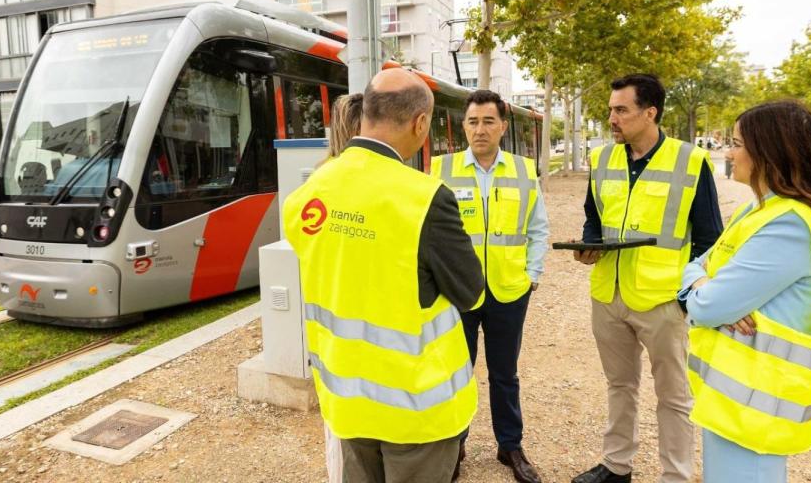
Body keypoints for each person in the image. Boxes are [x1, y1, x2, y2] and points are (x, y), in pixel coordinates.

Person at [284, 68, 485, 483]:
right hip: (417, 410)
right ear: (421, 123)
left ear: (366, 113)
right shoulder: (426, 197)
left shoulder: (309, 193)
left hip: (346, 401)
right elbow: (471, 293)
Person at [678, 100, 811, 482]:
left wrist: (707, 292)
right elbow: (694, 267)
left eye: (737, 143)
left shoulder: (789, 225)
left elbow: (706, 307)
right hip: (738, 400)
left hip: (756, 407)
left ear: (769, 151)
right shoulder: (759, 211)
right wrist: (704, 283)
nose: (729, 152)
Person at [572, 74, 723, 483]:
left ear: (649, 112)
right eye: (610, 110)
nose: (612, 118)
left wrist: (689, 292)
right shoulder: (602, 159)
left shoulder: (690, 161)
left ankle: (675, 475)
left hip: (663, 300)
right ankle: (616, 465)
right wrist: (588, 245)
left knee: (673, 396)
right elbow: (594, 218)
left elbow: (710, 238)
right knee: (619, 385)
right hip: (608, 293)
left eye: (621, 110)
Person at [430, 90, 549, 483]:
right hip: (455, 292)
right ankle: (455, 445)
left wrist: (532, 275)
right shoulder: (440, 169)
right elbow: (426, 233)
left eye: (488, 121)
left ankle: (510, 446)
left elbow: (537, 227)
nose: (480, 129)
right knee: (456, 372)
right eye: (472, 122)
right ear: (463, 126)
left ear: (502, 126)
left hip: (509, 290)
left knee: (504, 373)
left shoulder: (522, 170)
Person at [320, 92, 363, 483]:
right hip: (363, 337)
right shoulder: (373, 183)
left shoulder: (320, 180)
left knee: (340, 434)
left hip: (331, 337)